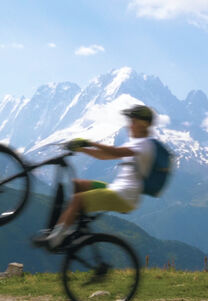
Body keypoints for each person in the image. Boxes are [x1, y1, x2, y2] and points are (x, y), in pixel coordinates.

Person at [35, 104, 156, 249]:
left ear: (144, 124)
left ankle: (55, 239)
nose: (130, 125)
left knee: (78, 199)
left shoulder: (145, 145)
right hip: (116, 189)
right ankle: (72, 226)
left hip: (124, 196)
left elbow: (115, 152)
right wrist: (82, 148)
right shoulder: (136, 143)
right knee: (78, 185)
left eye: (133, 121)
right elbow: (105, 156)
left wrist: (89, 142)